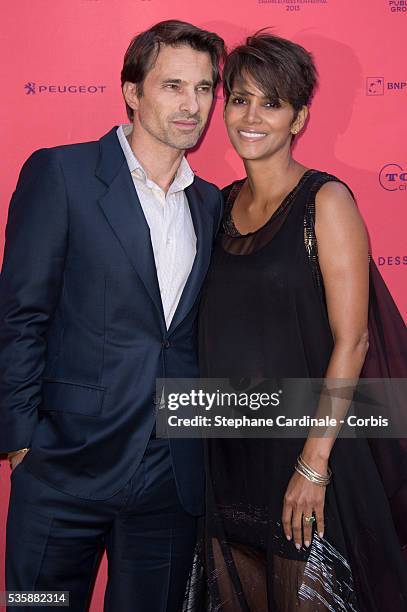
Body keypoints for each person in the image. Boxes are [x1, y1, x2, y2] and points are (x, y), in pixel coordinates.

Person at [0, 20, 225, 612]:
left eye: (204, 89)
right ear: (132, 91)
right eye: (174, 85)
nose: (192, 105)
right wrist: (23, 442)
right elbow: (21, 313)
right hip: (64, 465)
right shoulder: (63, 174)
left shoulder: (211, 202)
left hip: (168, 475)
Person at [197, 32, 407, 611]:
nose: (251, 116)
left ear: (299, 117)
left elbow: (354, 340)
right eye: (239, 99)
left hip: (307, 450)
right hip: (226, 455)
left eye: (271, 103)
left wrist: (313, 465)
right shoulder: (215, 206)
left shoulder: (326, 201)